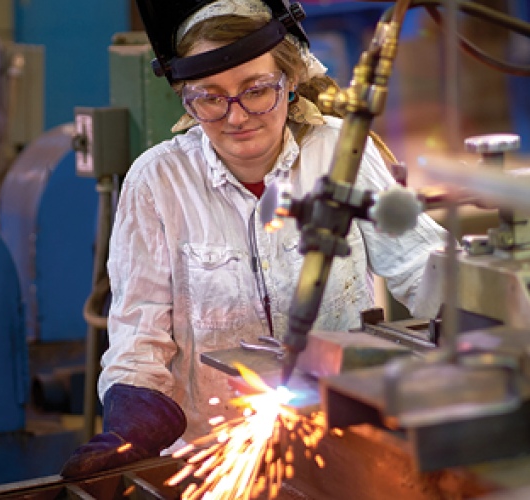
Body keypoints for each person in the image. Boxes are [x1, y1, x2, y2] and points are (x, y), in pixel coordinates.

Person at [60, 0, 447, 478]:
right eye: (210, 98)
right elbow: (140, 331)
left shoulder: (340, 151)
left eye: (256, 91)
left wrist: (485, 309)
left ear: (290, 83)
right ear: (187, 99)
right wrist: (133, 419)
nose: (236, 116)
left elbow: (418, 264)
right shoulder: (158, 181)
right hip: (215, 458)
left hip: (343, 439)